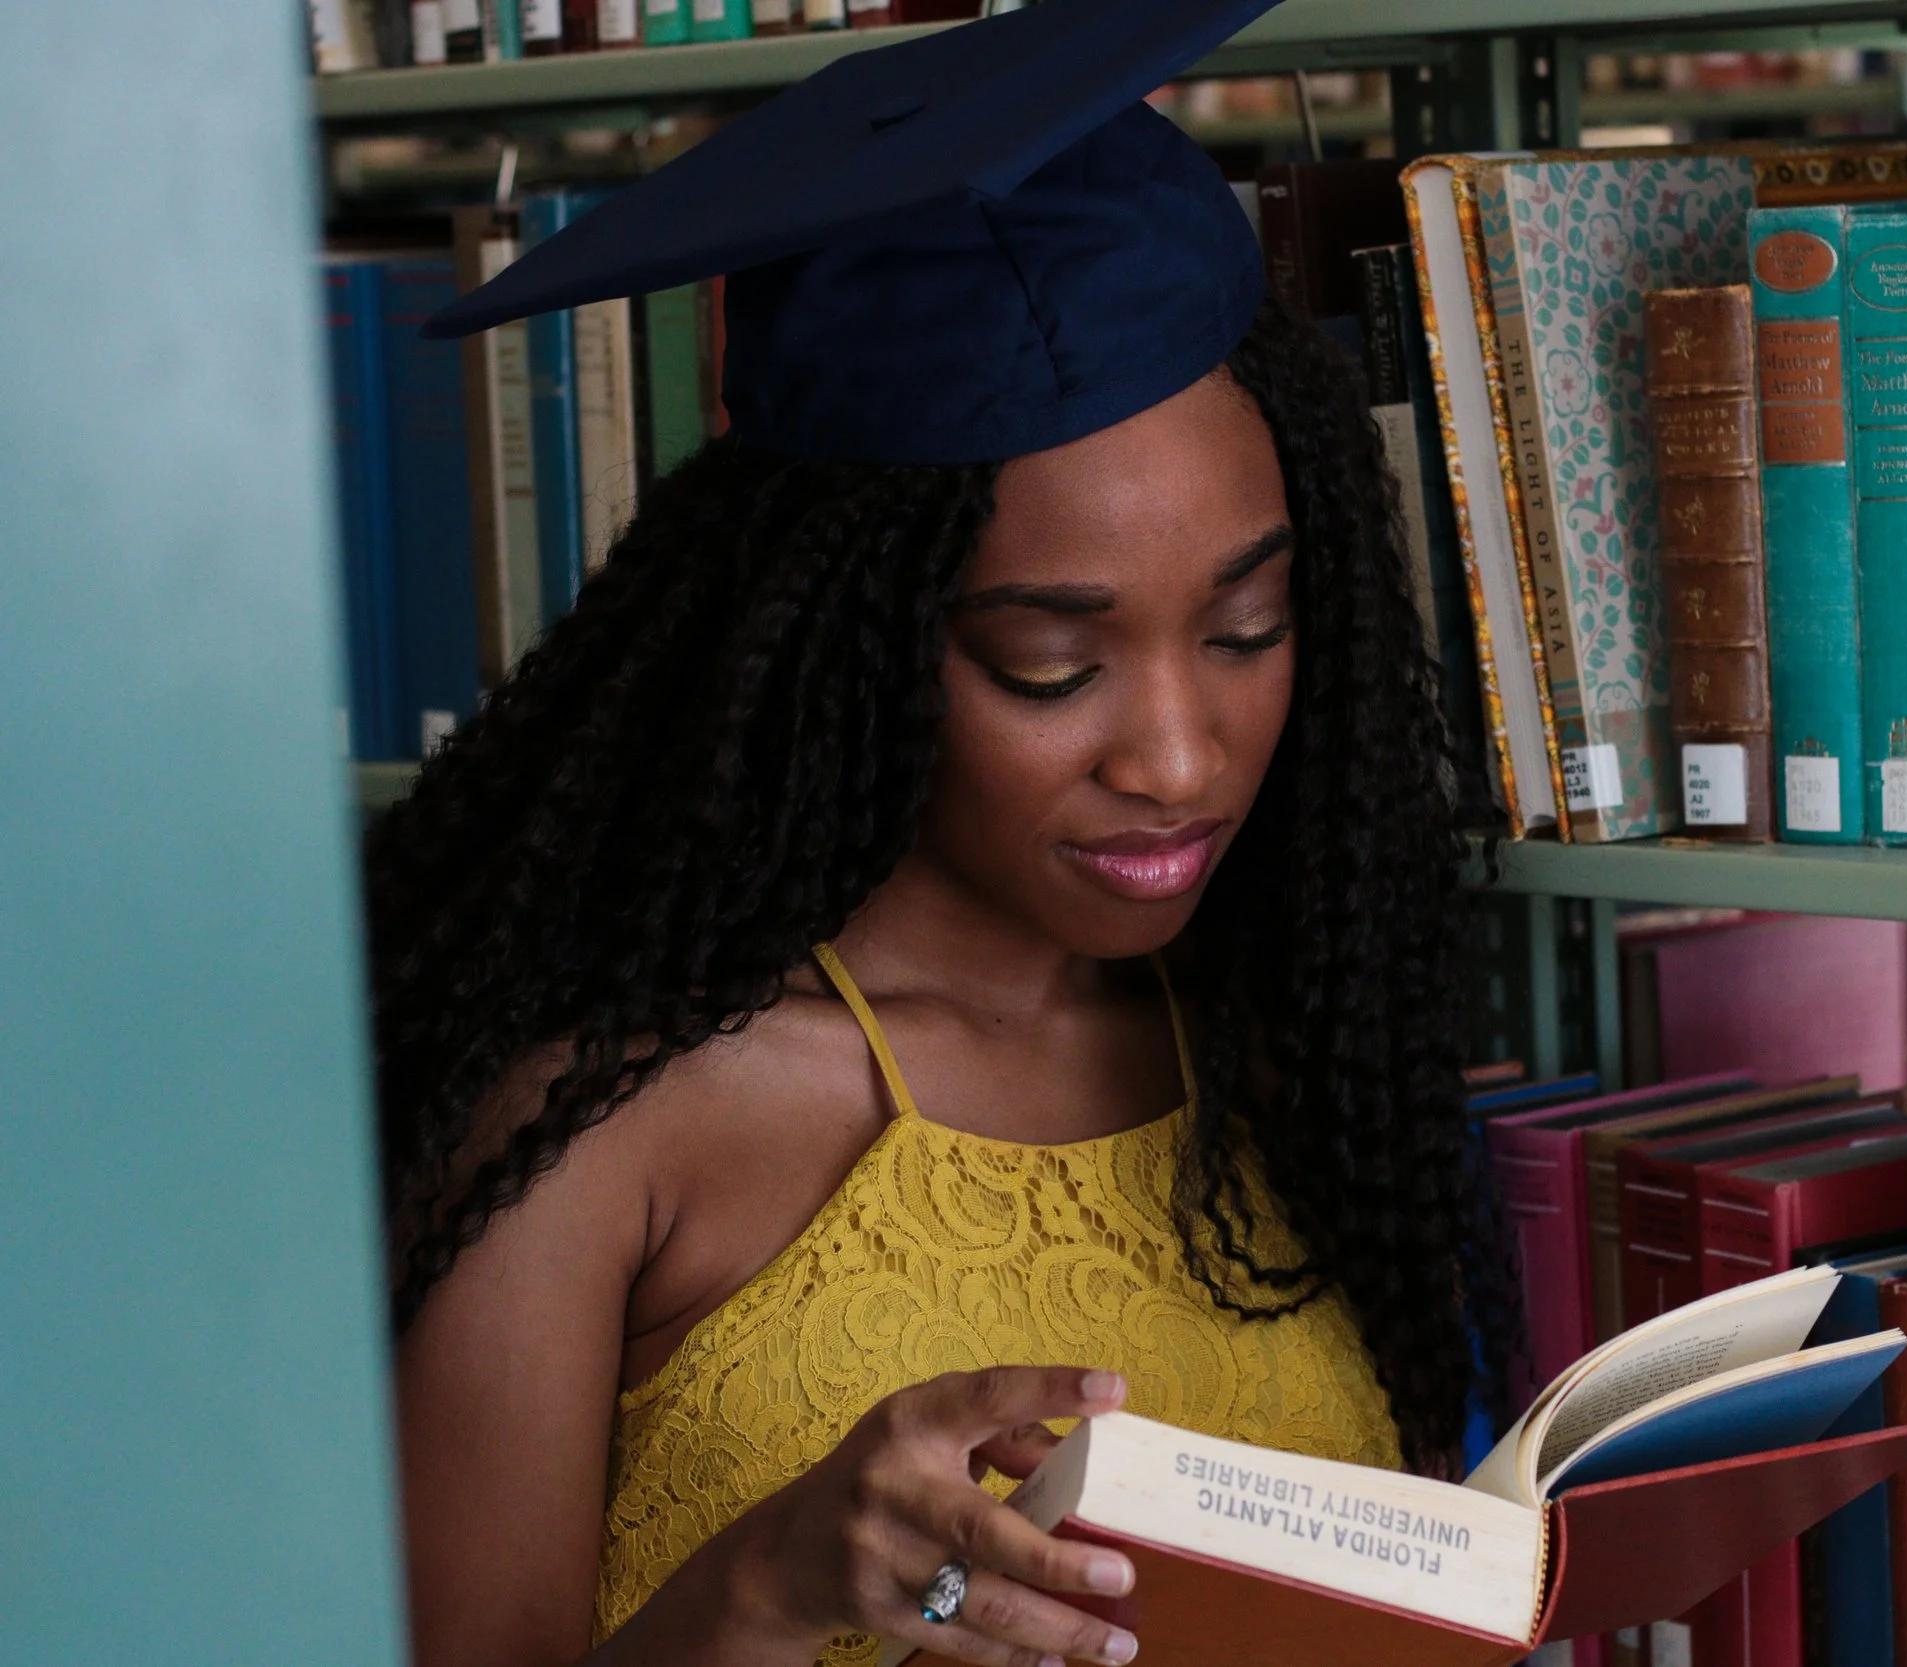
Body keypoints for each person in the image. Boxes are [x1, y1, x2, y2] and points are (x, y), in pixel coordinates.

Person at [371, 4, 1508, 1665]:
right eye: (1048, 663)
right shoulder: (600, 1120)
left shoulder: (1303, 1045)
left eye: (1251, 630)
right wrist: (754, 1594)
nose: (1181, 757)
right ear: (846, 646)